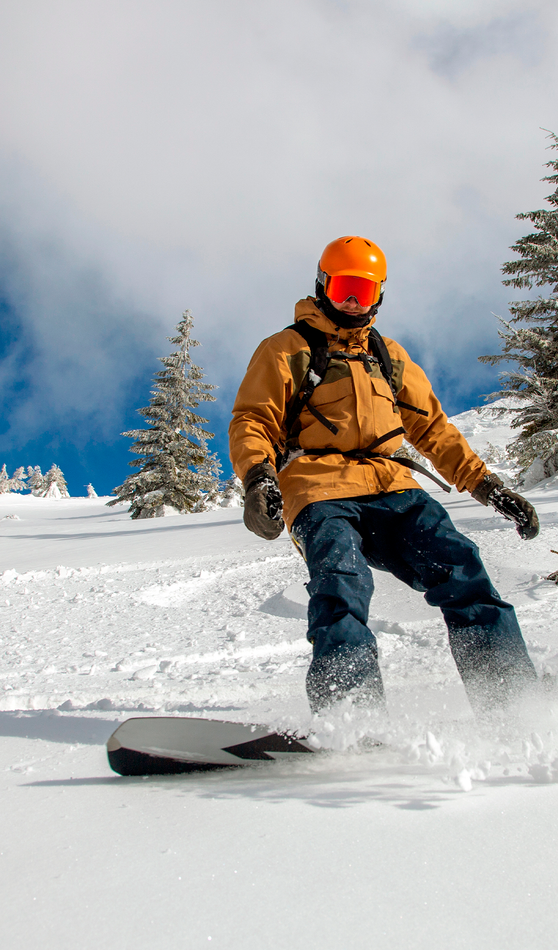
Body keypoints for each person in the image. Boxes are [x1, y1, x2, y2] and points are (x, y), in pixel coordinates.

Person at [229, 235, 541, 717]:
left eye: (364, 291)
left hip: (395, 490)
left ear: (379, 295)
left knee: (463, 570)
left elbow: (433, 428)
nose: (353, 302)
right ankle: (351, 714)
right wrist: (259, 480)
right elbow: (254, 419)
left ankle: (512, 700)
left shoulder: (388, 355)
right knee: (341, 585)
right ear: (322, 286)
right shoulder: (288, 348)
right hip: (319, 487)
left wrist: (488, 486)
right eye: (342, 290)